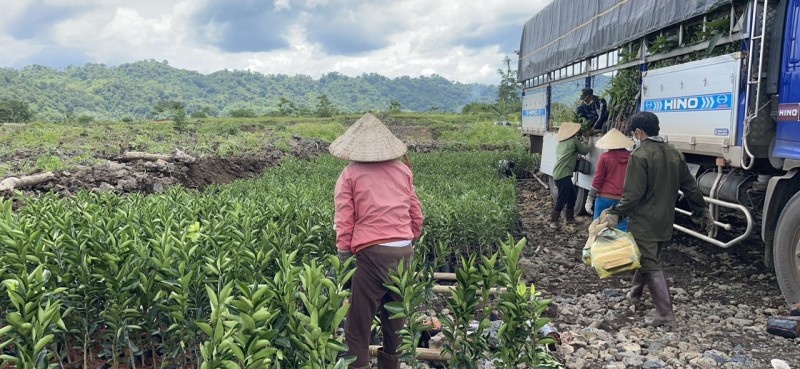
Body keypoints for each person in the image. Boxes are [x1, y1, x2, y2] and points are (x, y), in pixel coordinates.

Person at [598, 112, 714, 327]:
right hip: (665, 220)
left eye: (634, 133)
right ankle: (635, 294)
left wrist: (616, 212)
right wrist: (702, 211)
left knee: (650, 263)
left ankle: (665, 314)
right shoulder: (674, 153)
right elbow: (690, 186)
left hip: (644, 221)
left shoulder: (640, 155)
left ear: (638, 132)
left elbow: (633, 194)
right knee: (646, 256)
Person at [330, 113, 424, 369]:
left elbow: (345, 221)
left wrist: (344, 258)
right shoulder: (402, 170)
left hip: (370, 253)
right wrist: (408, 239)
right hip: (402, 250)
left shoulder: (349, 175)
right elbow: (415, 213)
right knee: (395, 320)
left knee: (358, 326)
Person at [585, 128, 633, 231]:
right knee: (621, 230)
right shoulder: (632, 157)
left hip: (604, 198)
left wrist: (590, 198)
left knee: (599, 229)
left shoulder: (605, 157)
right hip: (623, 200)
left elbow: (598, 179)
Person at [550, 122, 589, 229]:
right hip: (564, 174)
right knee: (562, 198)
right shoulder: (573, 141)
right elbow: (585, 151)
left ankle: (569, 218)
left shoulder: (561, 142)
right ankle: (553, 221)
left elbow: (570, 153)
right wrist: (586, 140)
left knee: (572, 196)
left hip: (558, 173)